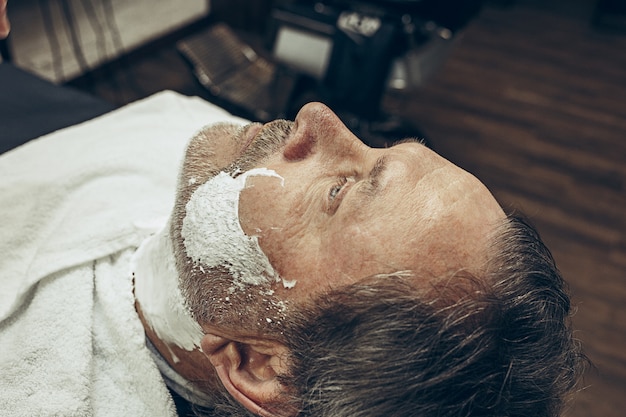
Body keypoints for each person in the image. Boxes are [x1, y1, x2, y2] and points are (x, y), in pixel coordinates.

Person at [0, 92, 585, 417]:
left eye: (338, 191)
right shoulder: (207, 143)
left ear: (259, 367)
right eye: (376, 148)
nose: (317, 117)